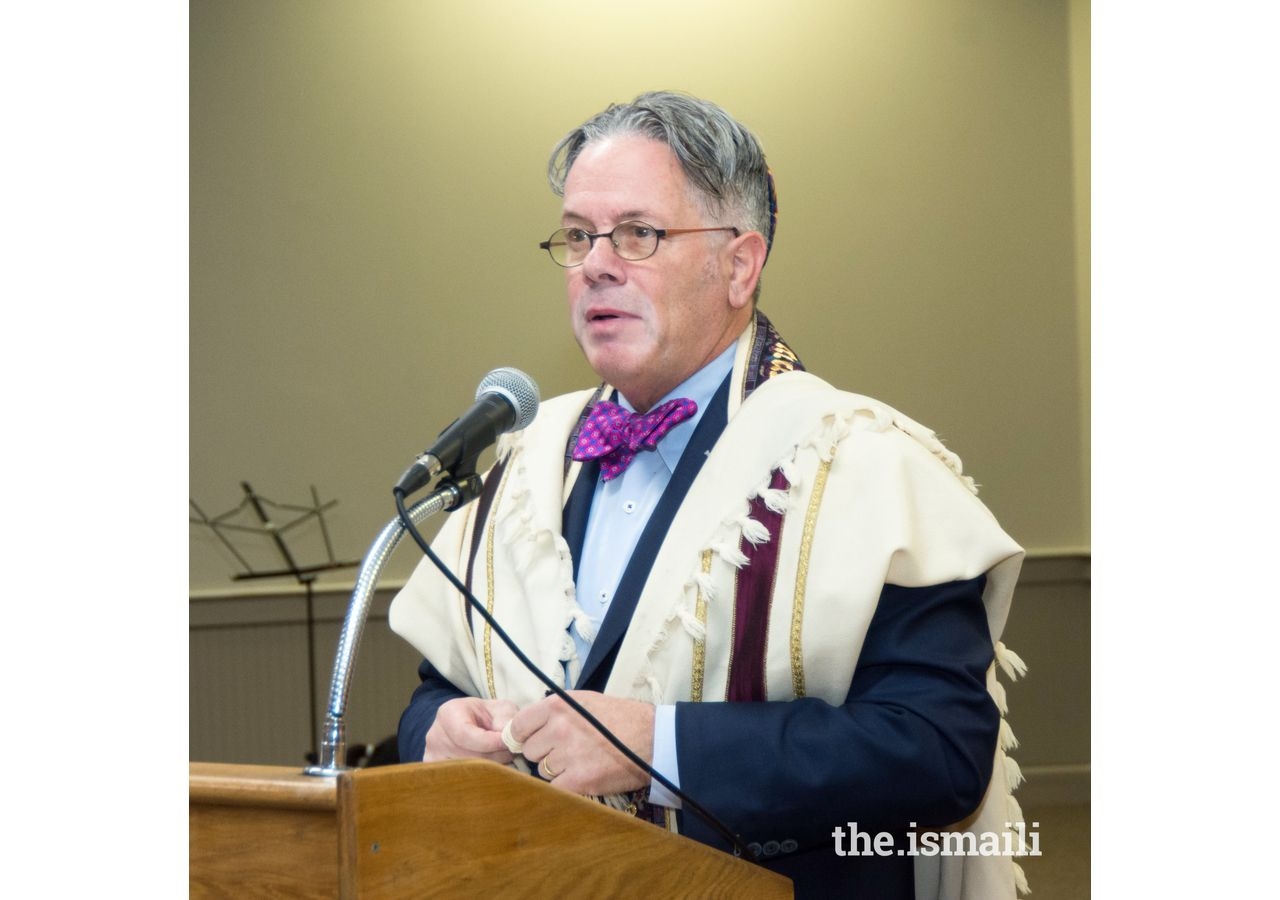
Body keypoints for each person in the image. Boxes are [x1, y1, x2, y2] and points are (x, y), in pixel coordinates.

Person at [389, 90, 1028, 899]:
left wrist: (659, 749)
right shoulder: (521, 460)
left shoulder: (861, 463)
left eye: (638, 233)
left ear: (739, 264)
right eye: (578, 235)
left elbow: (938, 750)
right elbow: (435, 688)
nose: (595, 263)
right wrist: (435, 737)